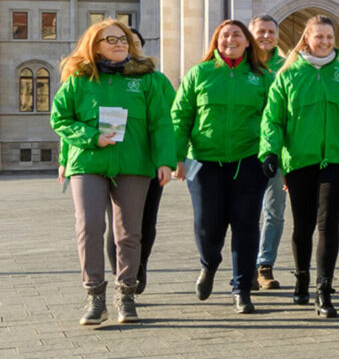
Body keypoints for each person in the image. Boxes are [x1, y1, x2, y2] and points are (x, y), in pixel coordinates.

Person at [50, 19, 175, 326]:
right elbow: (60, 119)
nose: (120, 44)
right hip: (88, 163)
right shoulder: (79, 79)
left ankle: (126, 295)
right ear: (95, 45)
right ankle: (94, 297)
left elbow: (160, 122)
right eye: (111, 39)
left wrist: (165, 160)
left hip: (134, 164)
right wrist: (92, 137)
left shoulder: (145, 78)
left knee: (129, 232)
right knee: (89, 227)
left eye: (123, 39)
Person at [259, 15, 339, 318]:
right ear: (306, 39)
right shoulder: (287, 76)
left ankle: (324, 289)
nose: (324, 42)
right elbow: (273, 119)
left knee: (328, 223)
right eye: (318, 37)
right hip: (299, 160)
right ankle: (302, 279)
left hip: (337, 159)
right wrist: (269, 152)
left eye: (329, 37)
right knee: (303, 225)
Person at [171, 20, 274, 313]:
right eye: (225, 35)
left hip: (248, 162)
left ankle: (241, 288)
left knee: (245, 225)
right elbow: (180, 117)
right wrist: (177, 157)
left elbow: (274, 119)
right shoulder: (199, 74)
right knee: (207, 225)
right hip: (204, 163)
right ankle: (209, 263)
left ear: (247, 42)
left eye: (237, 34)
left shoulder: (262, 76)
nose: (231, 39)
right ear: (216, 41)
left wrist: (271, 154)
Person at [250, 14, 286, 291]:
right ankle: (246, 265)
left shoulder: (286, 67)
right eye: (260, 31)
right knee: (246, 212)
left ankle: (265, 265)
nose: (266, 36)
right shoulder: (241, 66)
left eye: (271, 31)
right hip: (247, 149)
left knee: (274, 211)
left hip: (278, 151)